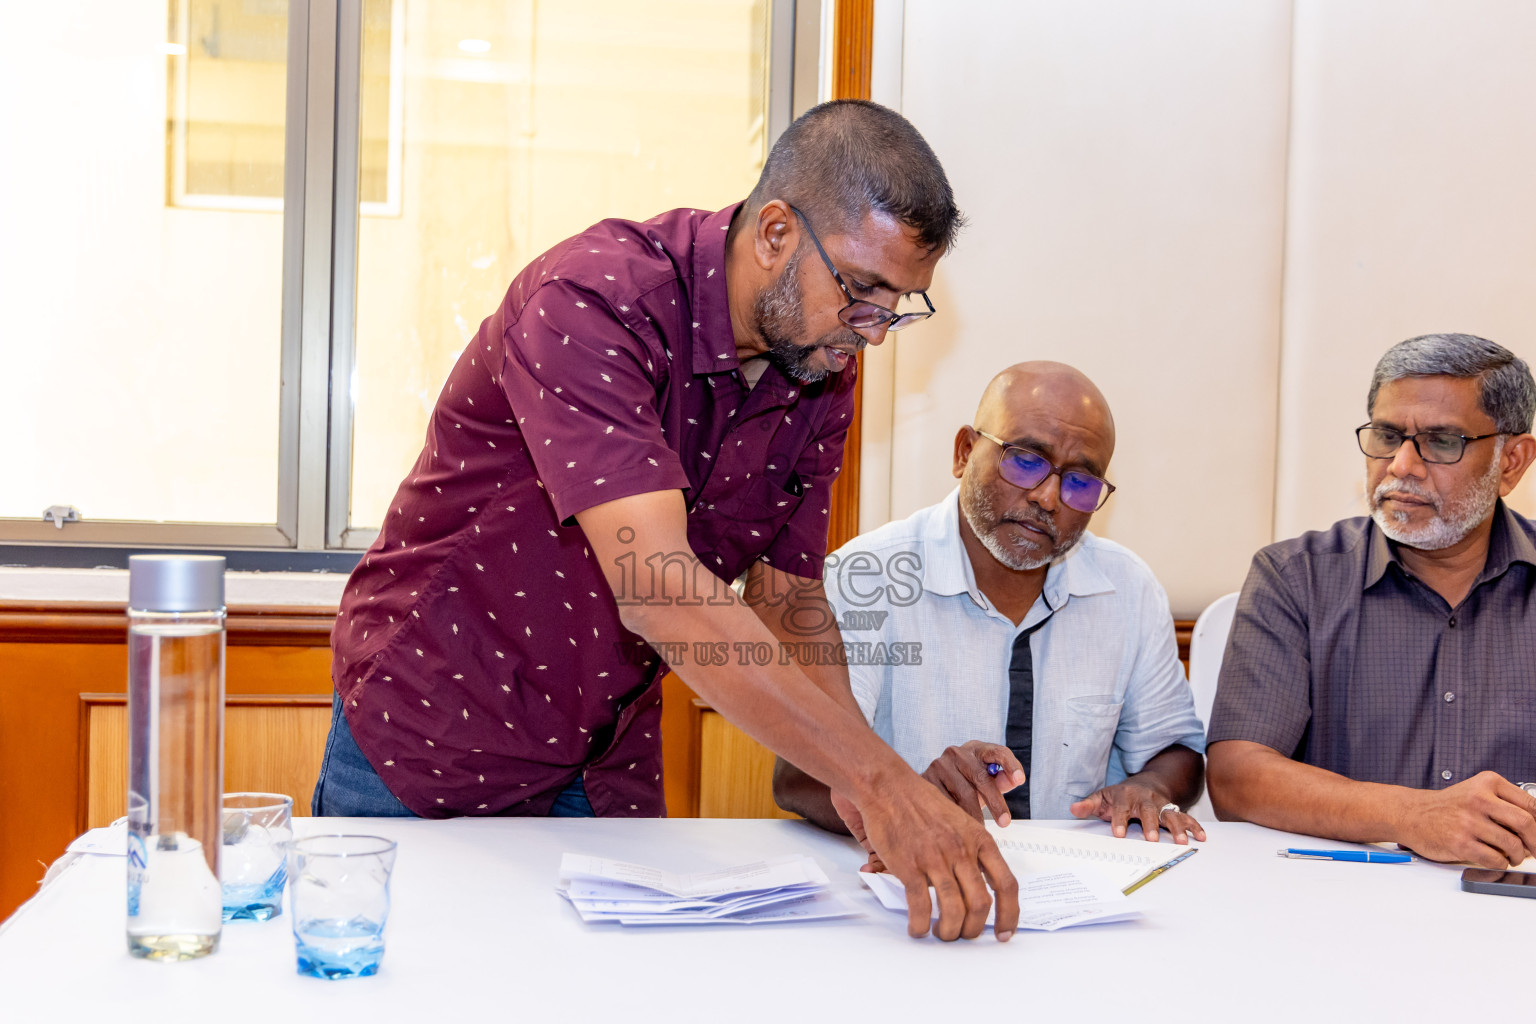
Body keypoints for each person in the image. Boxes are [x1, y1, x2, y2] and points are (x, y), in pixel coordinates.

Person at [316, 99, 1021, 941]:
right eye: (862, 292)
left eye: (898, 304)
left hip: (603, 753)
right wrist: (878, 782)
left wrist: (855, 775)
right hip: (437, 730)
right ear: (773, 233)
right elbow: (661, 588)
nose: (872, 332)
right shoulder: (594, 300)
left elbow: (788, 599)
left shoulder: (821, 368)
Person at [775, 362, 1208, 845]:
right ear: (964, 452)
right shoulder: (867, 576)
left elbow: (1176, 750)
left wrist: (1148, 787)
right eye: (1025, 460)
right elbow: (798, 775)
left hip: (1082, 884)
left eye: (1080, 483)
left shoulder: (1127, 587)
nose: (1048, 497)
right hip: (907, 882)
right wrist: (907, 799)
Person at [1207, 333, 1536, 868]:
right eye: (1387, 436)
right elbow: (1236, 778)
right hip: (1341, 908)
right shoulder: (1297, 578)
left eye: (1442, 441)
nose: (1402, 465)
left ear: (1511, 462)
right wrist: (1412, 815)